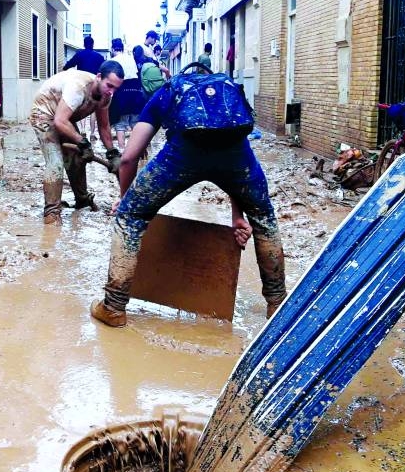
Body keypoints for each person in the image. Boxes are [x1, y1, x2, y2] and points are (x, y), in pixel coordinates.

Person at [90, 76, 287, 328]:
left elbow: (129, 157)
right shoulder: (227, 95)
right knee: (264, 219)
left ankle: (113, 308)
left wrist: (125, 199)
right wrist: (237, 215)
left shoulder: (167, 92)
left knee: (130, 217)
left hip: (181, 157)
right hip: (238, 159)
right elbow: (232, 162)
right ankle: (278, 304)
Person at [28, 61, 125, 224]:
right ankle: (51, 214)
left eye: (116, 88)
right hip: (44, 114)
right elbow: (59, 121)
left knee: (78, 159)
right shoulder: (78, 87)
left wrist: (112, 153)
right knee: (56, 163)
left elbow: (103, 126)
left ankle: (82, 200)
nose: (111, 92)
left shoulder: (106, 96)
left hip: (64, 117)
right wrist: (83, 142)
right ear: (99, 77)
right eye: (109, 86)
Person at [63, 35, 105, 140]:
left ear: (84, 44)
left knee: (81, 106)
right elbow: (104, 71)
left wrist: (64, 70)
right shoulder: (99, 57)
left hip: (81, 84)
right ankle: (92, 133)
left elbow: (68, 65)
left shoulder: (79, 54)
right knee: (93, 109)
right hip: (94, 84)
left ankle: (82, 131)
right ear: (93, 45)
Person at [108, 38, 146, 152]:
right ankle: (139, 149)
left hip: (122, 92)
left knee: (120, 125)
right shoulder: (131, 59)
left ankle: (122, 151)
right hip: (135, 91)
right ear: (123, 48)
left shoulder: (113, 61)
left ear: (113, 49)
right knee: (135, 122)